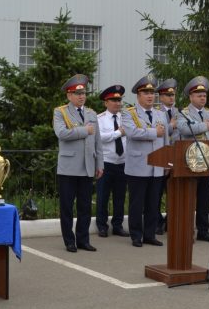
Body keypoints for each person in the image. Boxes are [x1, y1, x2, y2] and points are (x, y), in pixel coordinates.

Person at [53, 74, 103, 252]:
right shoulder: (61, 112)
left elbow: (97, 141)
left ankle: (83, 239)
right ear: (69, 95)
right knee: (67, 207)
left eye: (83, 93)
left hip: (88, 166)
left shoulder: (91, 113)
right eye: (77, 93)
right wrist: (84, 130)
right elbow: (61, 134)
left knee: (85, 207)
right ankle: (69, 241)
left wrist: (100, 164)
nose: (82, 96)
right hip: (68, 168)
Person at [176, 76, 209, 242]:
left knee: (205, 199)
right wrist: (204, 126)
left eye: (204, 95)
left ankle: (203, 231)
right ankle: (187, 231)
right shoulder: (183, 112)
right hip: (189, 163)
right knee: (189, 199)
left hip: (208, 162)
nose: (202, 98)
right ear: (191, 97)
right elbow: (183, 129)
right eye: (199, 95)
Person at [122, 75, 168, 248]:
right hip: (138, 166)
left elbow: (166, 140)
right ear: (138, 95)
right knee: (137, 203)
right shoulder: (129, 113)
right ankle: (136, 235)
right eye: (146, 92)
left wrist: (166, 162)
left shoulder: (160, 114)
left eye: (152, 92)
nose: (150, 96)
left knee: (153, 203)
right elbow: (132, 133)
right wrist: (153, 132)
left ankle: (149, 234)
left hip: (157, 166)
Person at [95, 84, 129, 238]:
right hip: (106, 162)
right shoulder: (99, 119)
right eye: (113, 100)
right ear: (106, 102)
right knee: (103, 196)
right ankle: (102, 226)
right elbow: (99, 138)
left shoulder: (126, 118)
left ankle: (118, 225)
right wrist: (117, 133)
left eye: (119, 100)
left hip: (122, 162)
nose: (117, 103)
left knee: (120, 197)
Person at [156, 78, 179, 235]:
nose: (171, 98)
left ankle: (170, 221)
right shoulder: (157, 112)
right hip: (161, 155)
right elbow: (160, 133)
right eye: (168, 95)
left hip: (176, 156)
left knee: (174, 192)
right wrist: (170, 126)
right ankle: (157, 222)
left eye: (173, 95)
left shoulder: (179, 112)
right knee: (157, 192)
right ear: (161, 97)